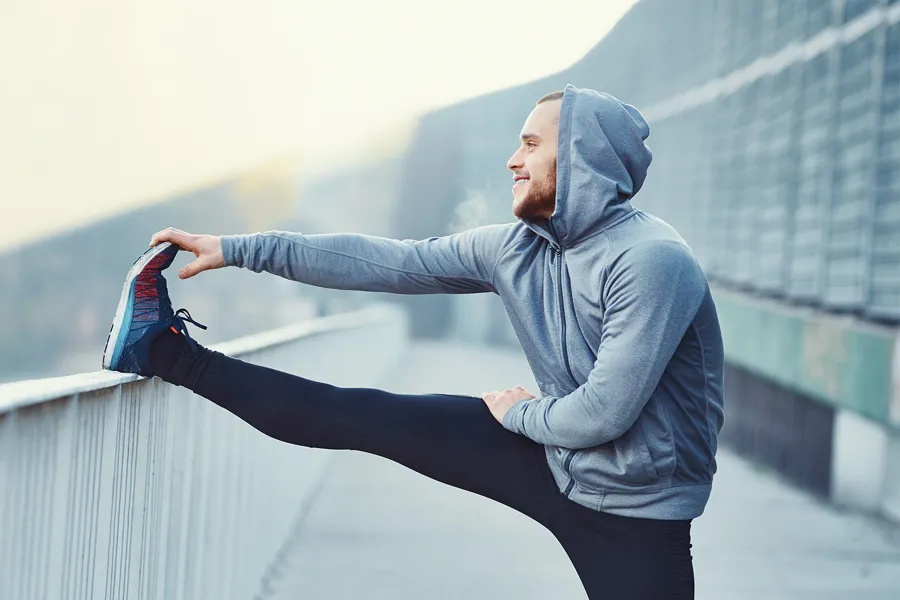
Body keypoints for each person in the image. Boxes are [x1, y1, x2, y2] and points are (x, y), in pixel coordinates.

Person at [103, 83, 724, 599]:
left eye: (531, 144)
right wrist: (239, 249)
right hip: (553, 459)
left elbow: (603, 414)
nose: (512, 159)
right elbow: (384, 262)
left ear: (582, 157)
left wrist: (520, 412)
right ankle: (162, 351)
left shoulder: (651, 262)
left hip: (639, 513)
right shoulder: (516, 248)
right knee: (360, 415)